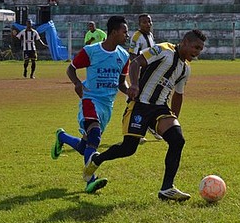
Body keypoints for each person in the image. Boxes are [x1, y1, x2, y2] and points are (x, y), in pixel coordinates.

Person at [82, 30, 207, 202]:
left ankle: (167, 188)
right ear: (185, 42)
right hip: (140, 105)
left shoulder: (185, 68)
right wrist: (134, 85)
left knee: (178, 140)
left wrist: (174, 119)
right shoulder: (163, 50)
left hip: (160, 108)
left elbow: (179, 94)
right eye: (196, 47)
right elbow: (136, 63)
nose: (198, 52)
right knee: (129, 148)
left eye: (200, 49)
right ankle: (97, 159)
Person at [51, 16, 130, 194]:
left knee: (85, 146)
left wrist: (130, 91)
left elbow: (121, 84)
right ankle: (90, 182)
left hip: (107, 106)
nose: (127, 35)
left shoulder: (123, 56)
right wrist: (77, 83)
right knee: (94, 138)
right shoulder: (91, 51)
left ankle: (62, 137)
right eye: (124, 31)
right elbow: (70, 68)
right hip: (90, 99)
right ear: (114, 32)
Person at [128, 14, 163, 142]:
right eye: (144, 22)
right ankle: (134, 132)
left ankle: (150, 127)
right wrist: (135, 78)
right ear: (139, 24)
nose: (148, 24)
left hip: (150, 73)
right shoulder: (137, 36)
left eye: (149, 21)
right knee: (136, 101)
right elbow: (132, 55)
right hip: (141, 74)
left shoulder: (150, 35)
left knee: (150, 100)